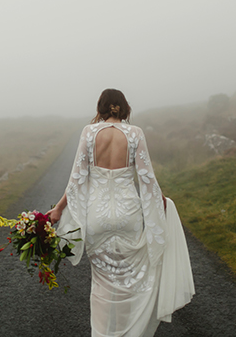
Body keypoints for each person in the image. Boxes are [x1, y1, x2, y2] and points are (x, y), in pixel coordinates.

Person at [47, 89, 195, 337]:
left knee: (103, 287)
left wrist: (59, 208)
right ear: (124, 107)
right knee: (131, 286)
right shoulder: (135, 133)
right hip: (129, 216)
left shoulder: (89, 132)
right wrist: (161, 203)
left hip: (97, 217)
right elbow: (147, 178)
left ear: (101, 107)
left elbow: (77, 179)